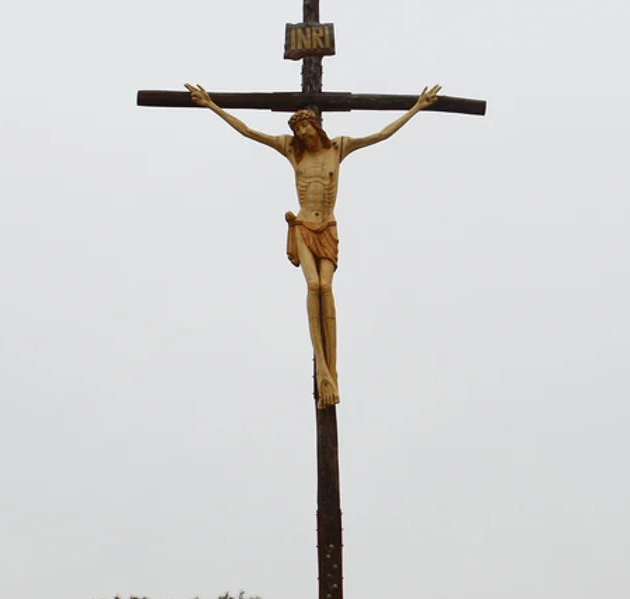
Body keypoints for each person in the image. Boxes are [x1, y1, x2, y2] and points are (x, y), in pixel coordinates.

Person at [185, 83, 441, 407]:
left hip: (328, 228)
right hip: (304, 226)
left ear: (316, 126)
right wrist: (211, 105)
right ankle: (321, 365)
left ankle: (331, 369)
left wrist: (416, 107)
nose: (304, 132)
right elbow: (249, 131)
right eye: (298, 128)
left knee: (327, 290)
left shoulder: (338, 148)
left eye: (306, 126)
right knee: (314, 286)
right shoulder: (293, 152)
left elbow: (381, 135)